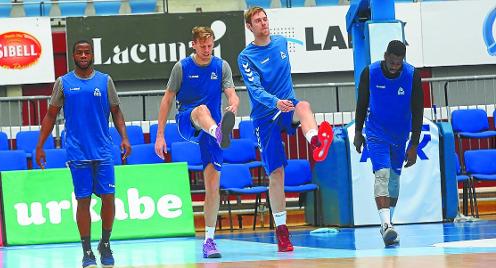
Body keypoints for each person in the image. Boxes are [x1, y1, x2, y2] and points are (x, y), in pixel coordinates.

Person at [238, 7, 333, 252]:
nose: (263, 23)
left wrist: (284, 101)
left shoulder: (280, 42)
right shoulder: (246, 57)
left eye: (265, 19)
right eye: (257, 21)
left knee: (304, 106)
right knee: (276, 174)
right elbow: (255, 90)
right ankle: (282, 231)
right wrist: (274, 102)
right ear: (250, 27)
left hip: (287, 106)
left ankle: (315, 142)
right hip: (265, 117)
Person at [35, 40, 131, 268]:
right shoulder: (64, 83)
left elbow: (116, 111)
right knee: (83, 201)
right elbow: (50, 115)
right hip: (78, 152)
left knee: (108, 199)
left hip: (104, 150)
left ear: (92, 55)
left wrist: (125, 137)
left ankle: (105, 243)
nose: (84, 55)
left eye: (87, 52)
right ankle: (87, 250)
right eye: (80, 52)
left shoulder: (105, 81)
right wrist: (40, 145)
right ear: (74, 56)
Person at [154, 26, 240, 259]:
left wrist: (234, 102)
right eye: (202, 45)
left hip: (212, 129)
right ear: (193, 44)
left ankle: (209, 241)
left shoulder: (221, 66)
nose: (206, 49)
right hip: (188, 121)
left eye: (210, 45)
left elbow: (231, 93)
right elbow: (167, 100)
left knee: (212, 187)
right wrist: (160, 135)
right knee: (201, 110)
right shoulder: (181, 68)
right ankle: (220, 133)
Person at [353, 40, 423, 247]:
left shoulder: (412, 75)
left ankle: (388, 223)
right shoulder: (370, 72)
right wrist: (358, 131)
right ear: (385, 56)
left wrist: (414, 144)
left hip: (400, 135)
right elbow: (362, 102)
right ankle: (386, 225)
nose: (394, 66)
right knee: (381, 174)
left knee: (394, 180)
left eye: (398, 63)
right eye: (392, 62)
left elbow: (418, 111)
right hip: (376, 132)